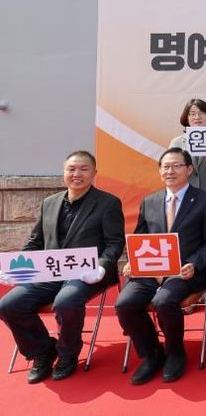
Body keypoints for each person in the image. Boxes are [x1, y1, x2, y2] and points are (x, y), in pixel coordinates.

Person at [0, 151, 124, 384]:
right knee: (9, 305)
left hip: (86, 273)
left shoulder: (108, 203)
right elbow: (35, 242)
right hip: (50, 272)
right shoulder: (50, 203)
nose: (77, 174)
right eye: (71, 169)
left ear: (94, 173)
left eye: (83, 169)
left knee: (65, 302)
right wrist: (17, 268)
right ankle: (43, 351)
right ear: (64, 172)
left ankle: (68, 354)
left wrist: (101, 267)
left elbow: (114, 243)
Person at [115, 148, 206, 385]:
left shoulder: (205, 201)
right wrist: (132, 260)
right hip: (151, 270)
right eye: (165, 166)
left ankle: (175, 353)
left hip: (184, 271)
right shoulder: (150, 201)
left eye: (176, 166)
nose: (170, 171)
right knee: (124, 304)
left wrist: (194, 263)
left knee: (163, 301)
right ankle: (152, 353)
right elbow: (140, 237)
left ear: (189, 169)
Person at [169, 98, 206, 217]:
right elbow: (170, 170)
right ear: (186, 118)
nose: (197, 117)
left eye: (201, 113)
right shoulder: (177, 142)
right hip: (184, 196)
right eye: (192, 114)